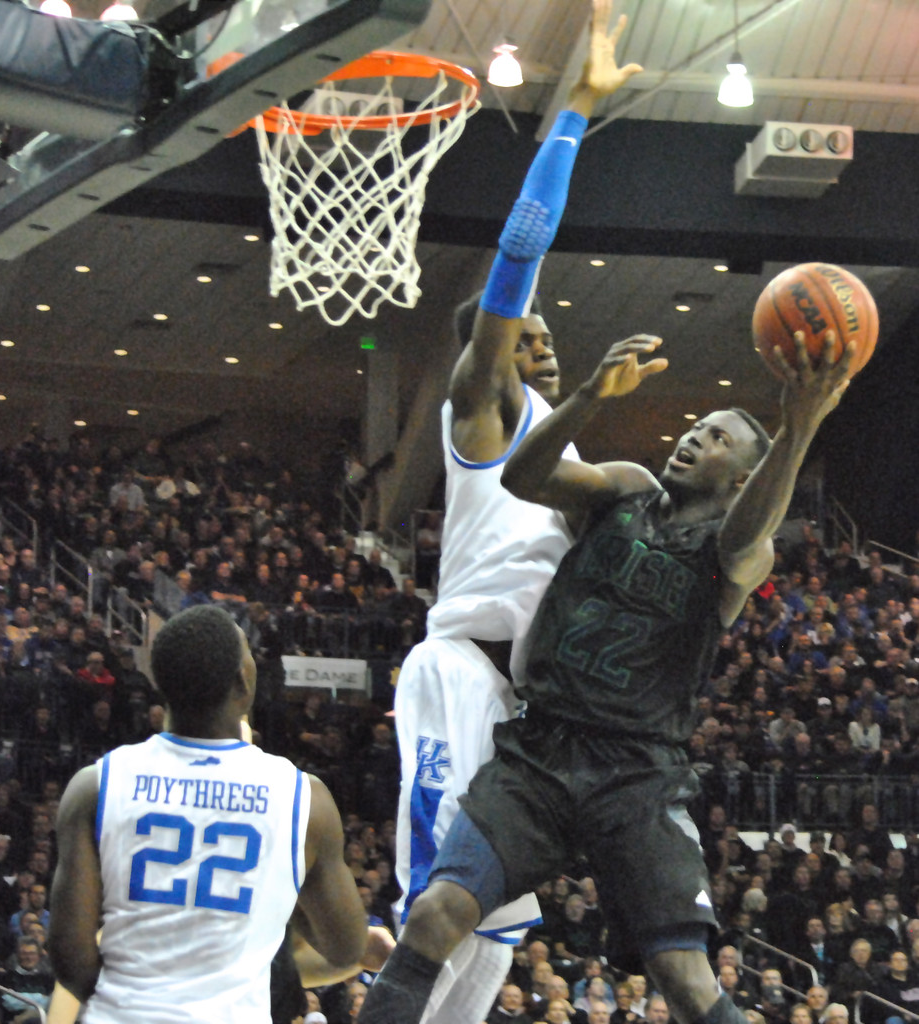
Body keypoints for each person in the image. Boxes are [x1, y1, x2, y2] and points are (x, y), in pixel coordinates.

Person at [358, 142, 854, 1024]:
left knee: (687, 983)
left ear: (743, 474)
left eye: (716, 439)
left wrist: (798, 425)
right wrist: (585, 393)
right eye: (694, 426)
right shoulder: (624, 486)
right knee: (435, 913)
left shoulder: (741, 548)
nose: (694, 438)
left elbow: (746, 535)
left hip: (638, 771)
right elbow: (522, 478)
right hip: (539, 748)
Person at [390, 4, 642, 1024]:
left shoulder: (558, 437)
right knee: (435, 917)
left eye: (540, 333)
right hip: (459, 671)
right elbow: (517, 255)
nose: (542, 337)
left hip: (526, 702)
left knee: (493, 940)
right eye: (524, 332)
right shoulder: (481, 409)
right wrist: (573, 114)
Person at [48, 603, 367, 1023]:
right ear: (243, 681)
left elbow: (70, 959)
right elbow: (346, 949)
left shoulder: (94, 786)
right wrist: (281, 888)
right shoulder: (305, 800)